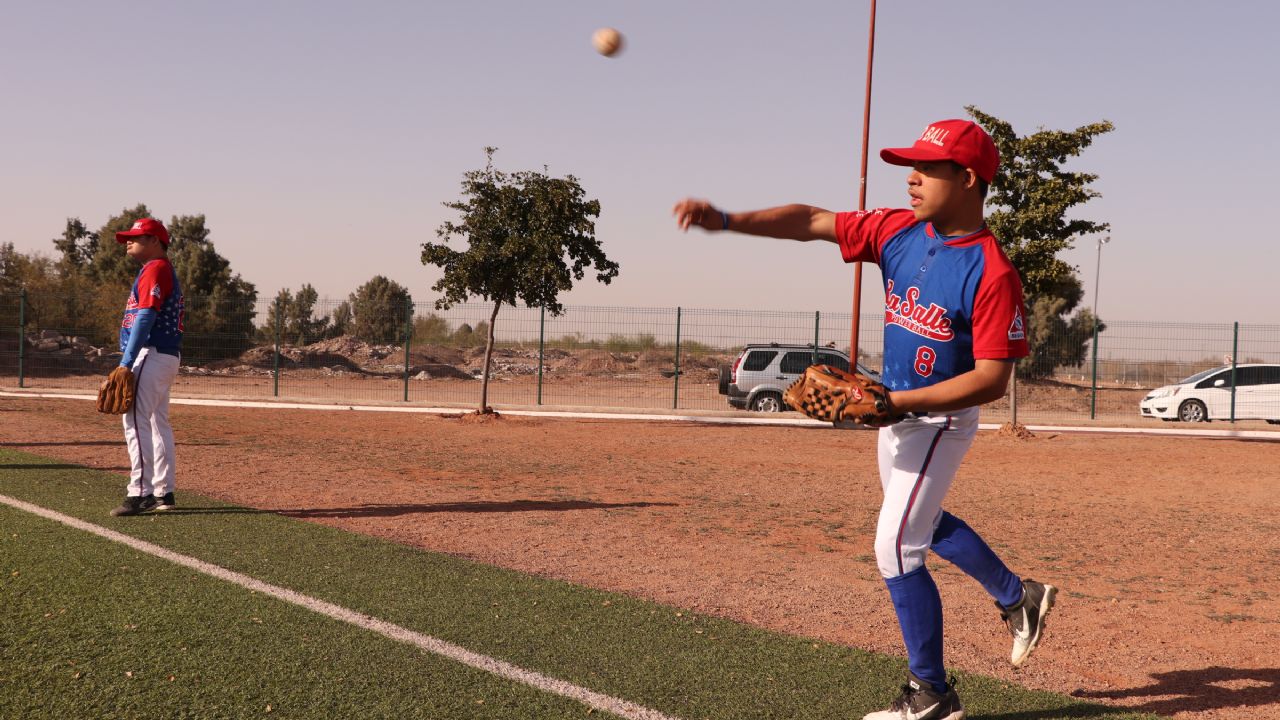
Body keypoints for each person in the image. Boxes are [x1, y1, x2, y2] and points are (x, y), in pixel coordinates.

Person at [673, 119, 1057, 720]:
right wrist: (727, 220)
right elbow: (812, 222)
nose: (912, 178)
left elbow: (992, 378)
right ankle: (1018, 596)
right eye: (912, 166)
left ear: (968, 179)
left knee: (896, 546)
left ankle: (932, 694)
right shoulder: (899, 229)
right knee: (919, 526)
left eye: (927, 168)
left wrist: (897, 405)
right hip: (894, 413)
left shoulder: (992, 271)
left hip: (937, 421)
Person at [109, 217, 185, 517]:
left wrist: (126, 362)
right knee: (156, 422)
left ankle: (140, 493)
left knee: (135, 420)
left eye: (136, 237)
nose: (129, 241)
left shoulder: (156, 267)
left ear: (156, 241)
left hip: (151, 353)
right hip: (165, 356)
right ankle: (163, 491)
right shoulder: (158, 269)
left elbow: (145, 317)